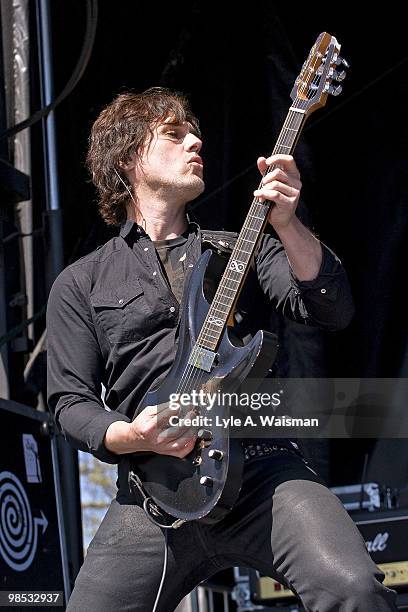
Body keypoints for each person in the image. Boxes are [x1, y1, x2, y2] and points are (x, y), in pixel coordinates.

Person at [47, 87, 397, 611]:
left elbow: (332, 308)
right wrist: (129, 434)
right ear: (128, 159)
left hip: (261, 469)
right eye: (174, 134)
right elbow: (69, 403)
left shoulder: (238, 250)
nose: (196, 140)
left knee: (353, 587)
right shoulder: (81, 282)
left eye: (195, 133)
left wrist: (287, 223)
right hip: (151, 492)